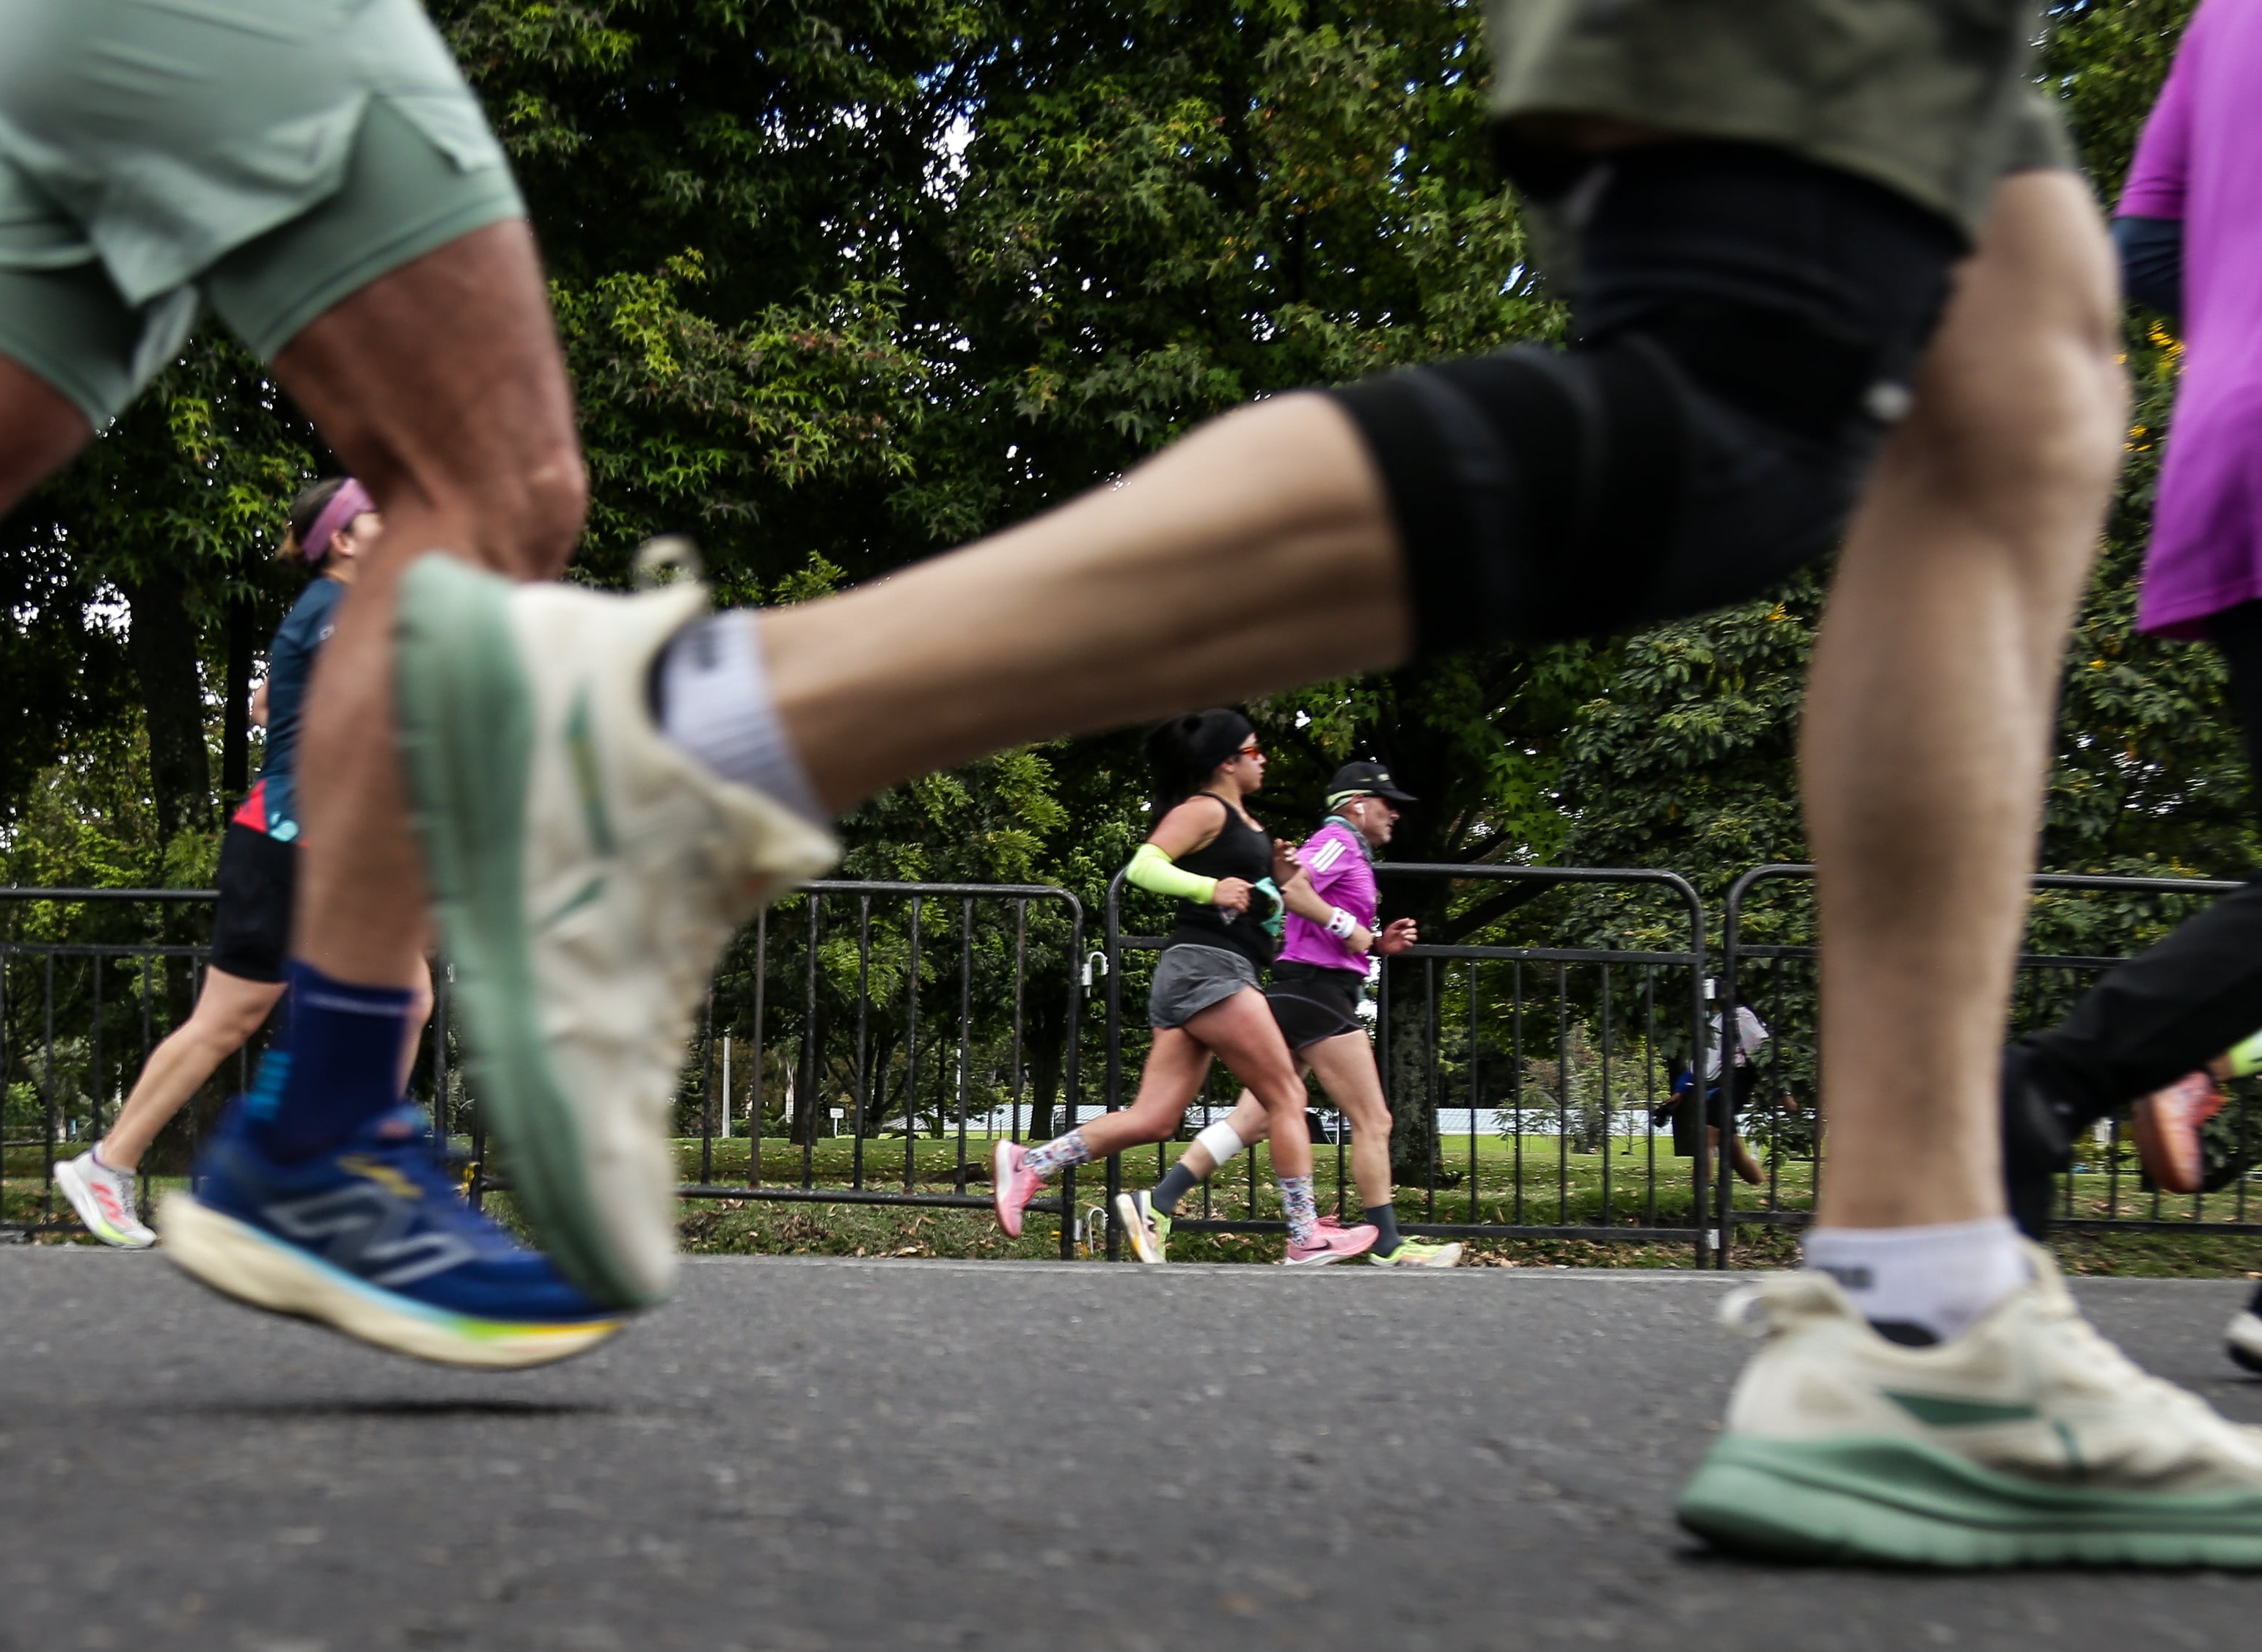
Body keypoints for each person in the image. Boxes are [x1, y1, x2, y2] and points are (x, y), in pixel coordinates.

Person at [381, 1, 2262, 1562]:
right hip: (1228, 976)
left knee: (2013, 373)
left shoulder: (1292, 834)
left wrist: (1295, 891)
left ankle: (1920, 1308)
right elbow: (1153, 862)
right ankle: (681, 738)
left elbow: (2148, 257)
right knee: (1755, 396)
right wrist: (1243, 894)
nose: (1288, 767)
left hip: (1261, 978)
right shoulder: (1222, 820)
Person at [0, 0, 630, 1365]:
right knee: (501, 493)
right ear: (339, 536)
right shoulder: (331, 616)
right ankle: (312, 1158)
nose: (380, 526)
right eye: (364, 515)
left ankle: (241, 1148)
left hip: (50, 33)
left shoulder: (323, 615)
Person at [1993, 0, 2262, 1378]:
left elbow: (2145, 251)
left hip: (2232, 452)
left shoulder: (2224, 22)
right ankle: (2057, 1080)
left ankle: (2060, 1081)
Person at [54, 479, 433, 1249]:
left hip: (296, 842)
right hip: (297, 844)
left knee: (251, 1016)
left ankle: (115, 1163)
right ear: (344, 541)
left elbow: (271, 702)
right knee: (372, 1001)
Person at [990, 713, 1379, 1265]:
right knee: (1287, 1097)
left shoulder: (1249, 824)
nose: (1263, 757)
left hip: (1210, 972)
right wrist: (1210, 887)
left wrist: (1277, 874)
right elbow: (1145, 866)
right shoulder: (1205, 809)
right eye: (1255, 749)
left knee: (1155, 1118)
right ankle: (1302, 1234)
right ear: (1228, 761)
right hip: (1208, 970)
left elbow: (1265, 904)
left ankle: (1032, 1164)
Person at [1116, 760, 1459, 1266]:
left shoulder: (1352, 849)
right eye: (1389, 804)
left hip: (1312, 989)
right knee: (1373, 1118)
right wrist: (1352, 928)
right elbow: (1291, 891)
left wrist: (1376, 945)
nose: (1396, 815)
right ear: (1357, 804)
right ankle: (1387, 1244)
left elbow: (1322, 915)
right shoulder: (1338, 839)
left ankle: (1157, 1203)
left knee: (1251, 1121)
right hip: (1316, 994)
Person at [1655, 981, 1770, 1188]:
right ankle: (1763, 1188)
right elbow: (1700, 1064)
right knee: (1735, 1155)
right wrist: (1681, 1092)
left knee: (1704, 1140)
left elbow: (1764, 1054)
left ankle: (1699, 1197)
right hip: (1711, 1088)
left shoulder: (1741, 1017)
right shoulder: (1709, 1023)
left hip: (1733, 1084)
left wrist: (1782, 1091)